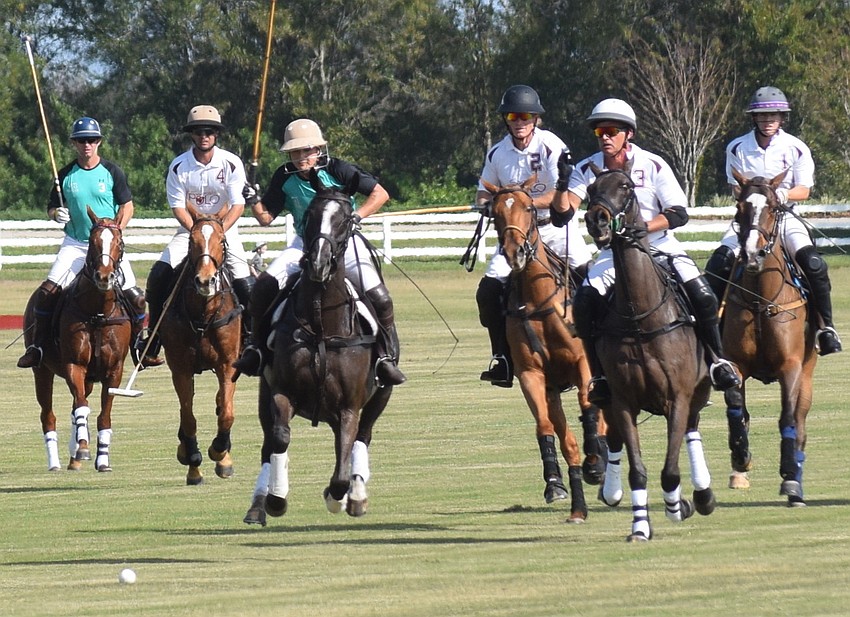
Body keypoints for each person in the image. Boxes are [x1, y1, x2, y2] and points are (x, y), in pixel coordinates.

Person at [551, 98, 740, 404]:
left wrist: (642, 229)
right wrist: (562, 182)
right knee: (585, 303)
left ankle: (718, 361)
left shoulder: (653, 164)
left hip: (660, 246)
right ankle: (599, 376)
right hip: (614, 255)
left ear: (629, 133)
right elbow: (563, 215)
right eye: (600, 131)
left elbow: (678, 213)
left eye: (611, 130)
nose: (604, 137)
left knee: (703, 294)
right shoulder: (586, 169)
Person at [232, 118, 405, 386]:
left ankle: (384, 357)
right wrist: (253, 200)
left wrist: (356, 217)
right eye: (296, 151)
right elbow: (265, 218)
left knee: (378, 295)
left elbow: (380, 194)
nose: (302, 157)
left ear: (318, 150)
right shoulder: (284, 176)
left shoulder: (338, 169)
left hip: (344, 241)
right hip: (304, 242)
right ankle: (255, 349)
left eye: (307, 150)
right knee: (263, 286)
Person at [705, 86, 842, 356]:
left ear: (782, 118)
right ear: (753, 119)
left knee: (813, 264)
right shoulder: (737, 147)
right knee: (718, 263)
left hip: (785, 217)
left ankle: (825, 327)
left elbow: (804, 190)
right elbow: (735, 188)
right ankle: (711, 331)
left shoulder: (796, 148)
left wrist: (782, 194)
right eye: (763, 116)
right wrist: (754, 197)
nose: (769, 121)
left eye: (775, 116)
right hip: (748, 220)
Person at [475, 84, 594, 387]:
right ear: (507, 119)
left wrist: (521, 200)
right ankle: (502, 357)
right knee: (488, 291)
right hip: (514, 235)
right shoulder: (497, 152)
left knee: (590, 278)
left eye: (526, 115)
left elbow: (559, 194)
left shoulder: (552, 146)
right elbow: (481, 193)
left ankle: (598, 352)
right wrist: (492, 206)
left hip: (553, 228)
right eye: (514, 115)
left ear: (536, 118)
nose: (520, 121)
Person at [18, 117, 146, 369]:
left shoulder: (111, 172)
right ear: (74, 143)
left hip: (107, 247)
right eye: (81, 140)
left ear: (98, 142)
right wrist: (57, 214)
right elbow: (51, 207)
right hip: (76, 244)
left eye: (91, 140)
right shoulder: (64, 175)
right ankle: (38, 346)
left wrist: (116, 232)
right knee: (47, 293)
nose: (86, 144)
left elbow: (127, 206)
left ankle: (139, 346)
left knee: (136, 297)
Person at [136, 105, 255, 367]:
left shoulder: (231, 163)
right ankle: (152, 340)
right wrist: (197, 232)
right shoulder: (179, 166)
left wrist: (219, 230)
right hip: (190, 230)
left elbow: (238, 205)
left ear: (216, 135)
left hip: (226, 229)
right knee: (159, 275)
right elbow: (178, 206)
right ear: (192, 134)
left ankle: (253, 339)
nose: (205, 136)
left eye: (210, 131)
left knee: (245, 281)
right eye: (199, 131)